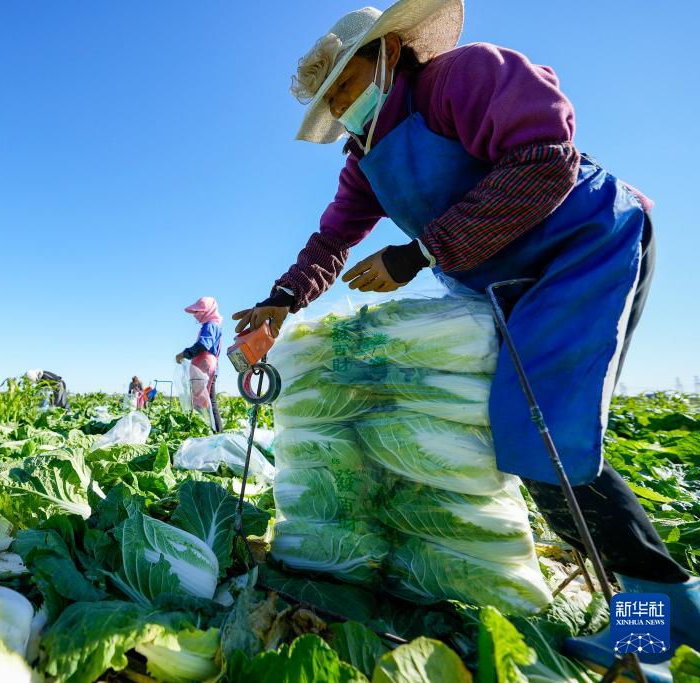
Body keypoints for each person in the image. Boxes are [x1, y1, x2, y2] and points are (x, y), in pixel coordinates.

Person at [230, 1, 695, 677]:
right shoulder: (366, 162)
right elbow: (331, 239)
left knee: (545, 437)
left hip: (582, 249)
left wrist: (419, 254)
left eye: (347, 83)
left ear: (387, 54)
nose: (344, 103)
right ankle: (658, 610)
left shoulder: (462, 77)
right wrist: (281, 300)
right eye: (332, 98)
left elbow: (546, 158)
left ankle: (661, 623)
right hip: (502, 290)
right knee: (516, 435)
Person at [176, 297, 223, 433]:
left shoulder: (210, 325)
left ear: (208, 311)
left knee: (207, 402)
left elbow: (203, 344)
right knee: (205, 401)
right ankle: (212, 432)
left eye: (198, 311)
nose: (196, 315)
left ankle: (215, 433)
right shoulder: (212, 325)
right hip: (205, 367)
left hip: (205, 367)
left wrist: (184, 354)